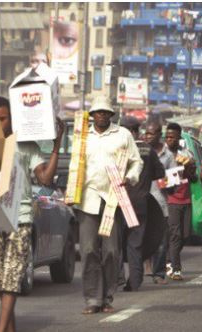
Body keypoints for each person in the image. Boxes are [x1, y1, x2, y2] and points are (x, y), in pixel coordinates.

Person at [0, 96, 64, 332]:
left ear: (12, 117)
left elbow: (45, 178)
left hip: (20, 218)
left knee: (12, 279)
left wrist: (56, 146)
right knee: (2, 281)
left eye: (2, 118)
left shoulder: (26, 145)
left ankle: (1, 329)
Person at [75, 96, 143, 314]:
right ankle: (92, 298)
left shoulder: (122, 134)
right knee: (88, 250)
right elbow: (76, 167)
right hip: (88, 199)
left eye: (106, 112)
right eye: (98, 112)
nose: (102, 115)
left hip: (112, 199)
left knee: (112, 252)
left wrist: (130, 178)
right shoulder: (82, 136)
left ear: (111, 115)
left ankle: (107, 297)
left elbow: (136, 161)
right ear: (92, 115)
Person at [119, 117, 165, 292]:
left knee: (116, 242)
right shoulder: (148, 150)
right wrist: (143, 182)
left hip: (118, 203)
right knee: (135, 243)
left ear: (130, 132)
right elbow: (159, 173)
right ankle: (135, 282)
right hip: (140, 203)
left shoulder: (116, 148)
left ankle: (117, 279)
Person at [144, 122, 177, 285]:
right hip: (141, 202)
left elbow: (173, 184)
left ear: (159, 135)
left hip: (160, 204)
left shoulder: (168, 156)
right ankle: (140, 271)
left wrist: (166, 180)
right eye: (146, 134)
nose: (148, 137)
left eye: (151, 134)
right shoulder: (139, 151)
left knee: (161, 242)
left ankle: (159, 273)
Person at [164, 123, 197, 281]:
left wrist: (189, 168)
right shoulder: (163, 155)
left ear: (179, 138)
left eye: (173, 137)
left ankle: (169, 260)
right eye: (167, 137)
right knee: (175, 235)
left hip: (186, 199)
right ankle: (176, 269)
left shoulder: (186, 154)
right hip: (171, 200)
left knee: (185, 235)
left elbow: (195, 178)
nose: (170, 140)